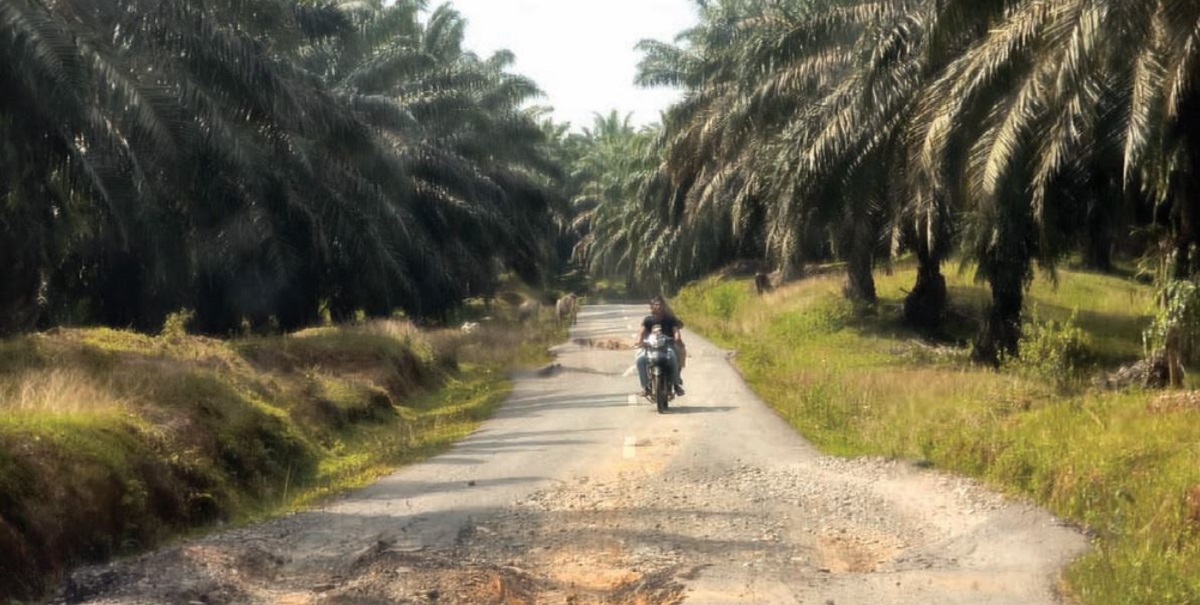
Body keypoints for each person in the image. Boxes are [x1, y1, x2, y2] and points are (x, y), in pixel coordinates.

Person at [635, 296, 685, 397]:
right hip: (651, 348)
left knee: (673, 358)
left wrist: (677, 339)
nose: (658, 307)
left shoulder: (670, 319)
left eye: (660, 304)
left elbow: (676, 331)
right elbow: (641, 332)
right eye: (656, 305)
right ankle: (646, 387)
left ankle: (676, 385)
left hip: (667, 347)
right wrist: (639, 341)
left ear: (664, 306)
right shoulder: (648, 320)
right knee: (640, 360)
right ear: (652, 307)